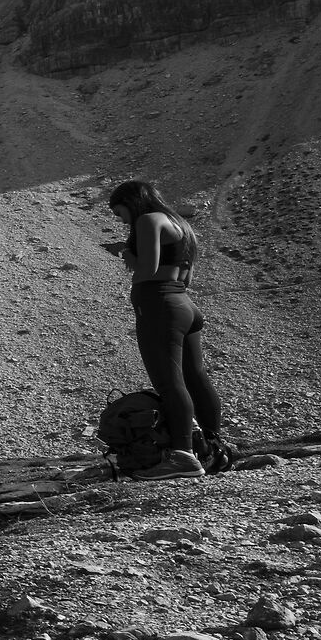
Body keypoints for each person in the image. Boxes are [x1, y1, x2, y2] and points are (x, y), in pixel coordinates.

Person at [107, 179, 231, 477]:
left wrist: (125, 251)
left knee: (169, 382)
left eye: (120, 212)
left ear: (132, 202)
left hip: (159, 306)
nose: (122, 220)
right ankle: (211, 449)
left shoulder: (149, 220)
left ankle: (183, 456)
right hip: (183, 302)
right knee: (196, 378)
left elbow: (146, 270)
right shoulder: (179, 224)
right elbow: (186, 278)